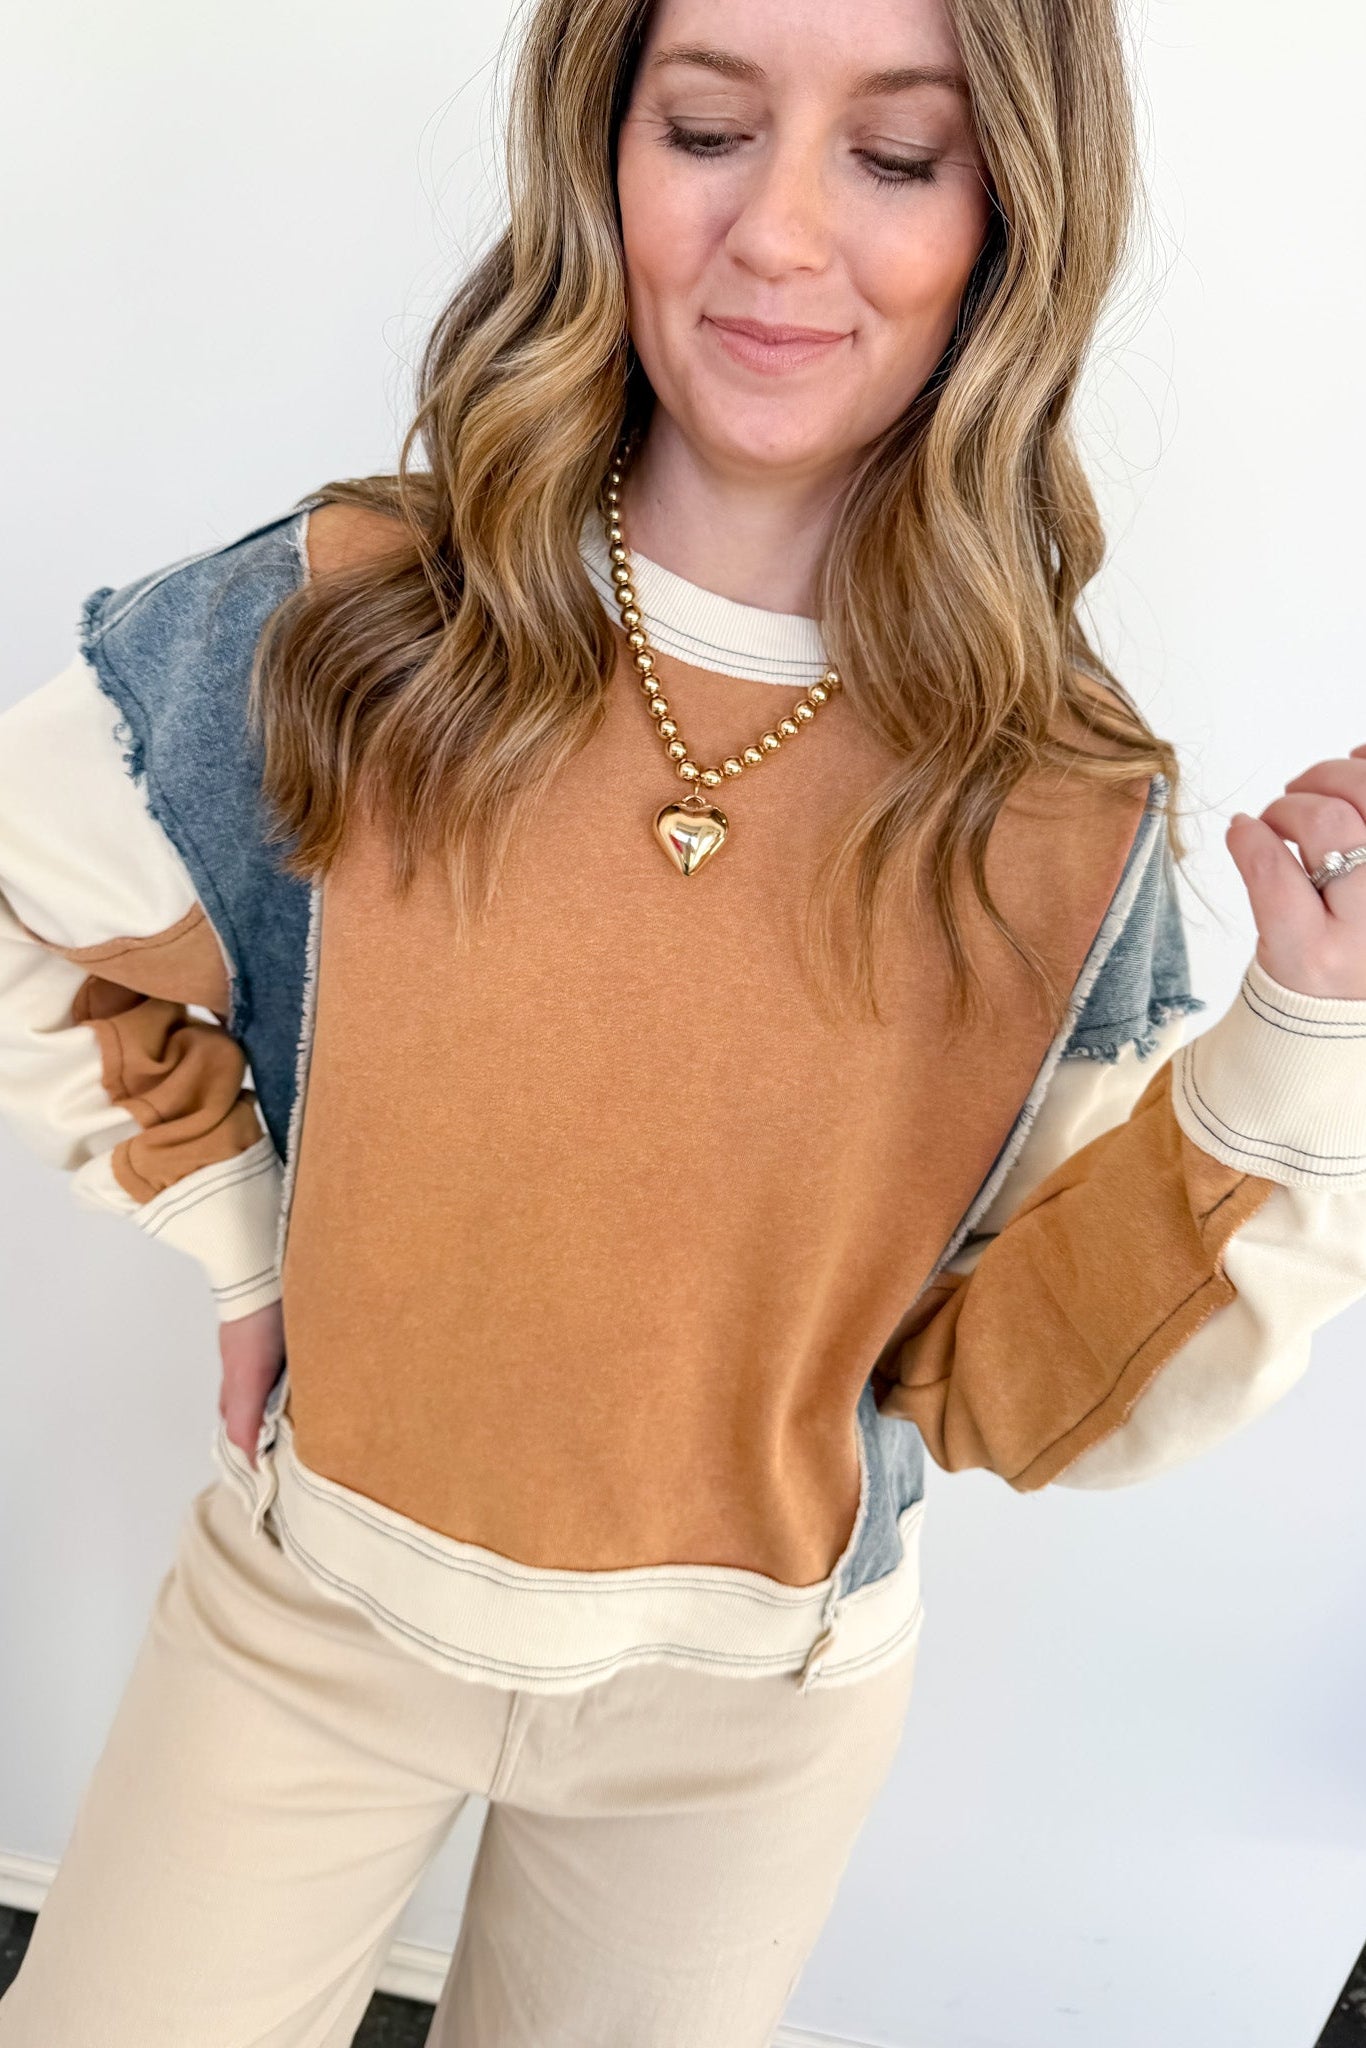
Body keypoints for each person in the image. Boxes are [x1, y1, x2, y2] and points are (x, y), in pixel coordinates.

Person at [2, 0, 1365, 2041]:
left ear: (1009, 215)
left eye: (893, 158)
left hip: (749, 1712)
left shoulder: (1058, 808)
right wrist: (243, 1233)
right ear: (600, 152)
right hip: (316, 1610)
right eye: (707, 125)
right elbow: (36, 914)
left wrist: (1298, 1029)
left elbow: (1021, 1383)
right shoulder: (347, 624)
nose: (780, 238)